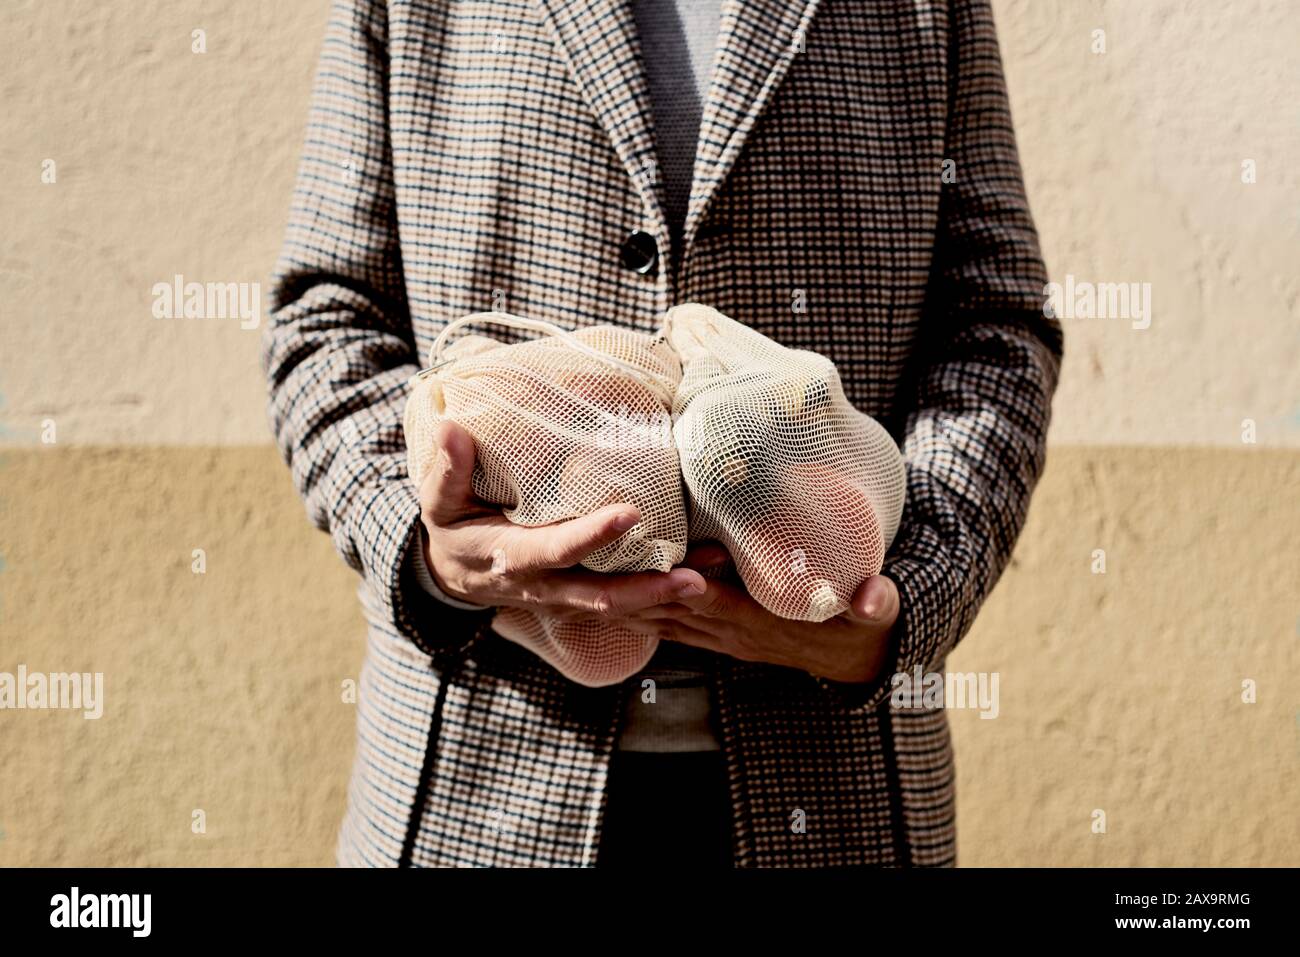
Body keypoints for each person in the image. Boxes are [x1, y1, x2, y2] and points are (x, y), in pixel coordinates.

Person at [263, 0, 1062, 868]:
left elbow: (994, 325)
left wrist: (904, 601)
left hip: (835, 781)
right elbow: (329, 319)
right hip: (482, 771)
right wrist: (430, 551)